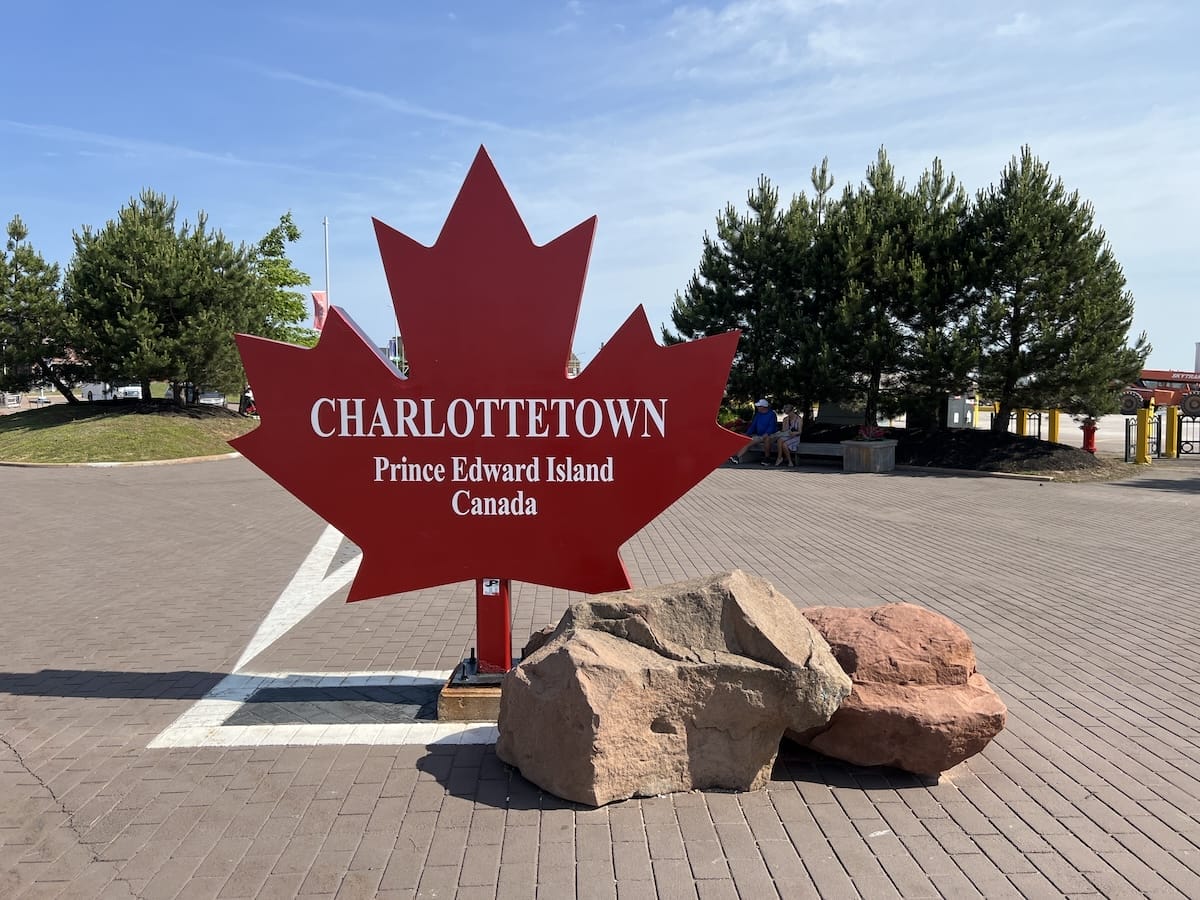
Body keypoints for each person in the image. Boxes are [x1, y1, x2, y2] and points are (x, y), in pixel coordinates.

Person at [729, 399, 779, 464]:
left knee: (767, 439)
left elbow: (772, 426)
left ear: (763, 407)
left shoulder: (772, 414)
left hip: (772, 435)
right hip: (760, 435)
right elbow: (753, 426)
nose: (757, 407)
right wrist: (747, 434)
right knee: (749, 441)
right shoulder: (758, 414)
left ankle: (767, 458)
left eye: (759, 406)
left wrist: (767, 433)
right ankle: (737, 457)